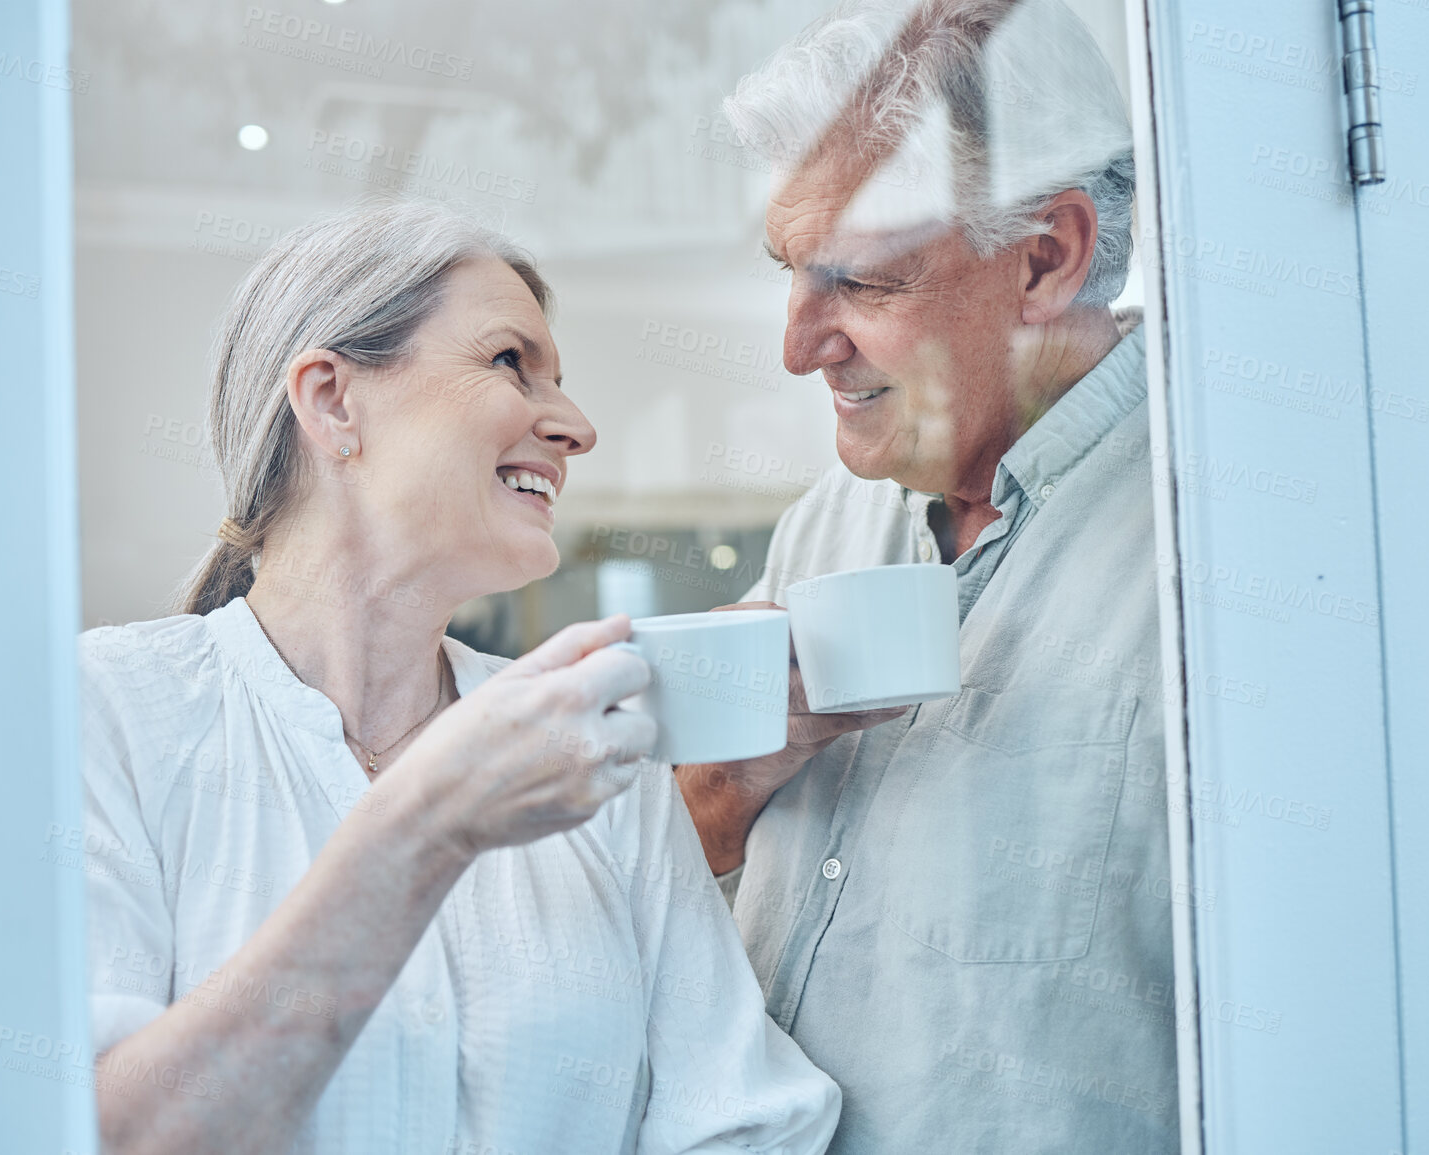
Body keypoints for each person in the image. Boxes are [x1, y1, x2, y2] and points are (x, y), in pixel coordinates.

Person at [79, 202, 839, 1154]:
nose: (576, 427)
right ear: (330, 400)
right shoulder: (105, 713)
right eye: (509, 362)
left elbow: (746, 1120)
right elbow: (100, 1132)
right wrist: (424, 828)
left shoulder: (592, 749)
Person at [672, 1, 1178, 1151]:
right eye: (794, 275)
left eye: (863, 282)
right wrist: (716, 795)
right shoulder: (827, 526)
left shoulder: (1215, 546)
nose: (798, 345)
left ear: (1047, 256)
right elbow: (698, 858)